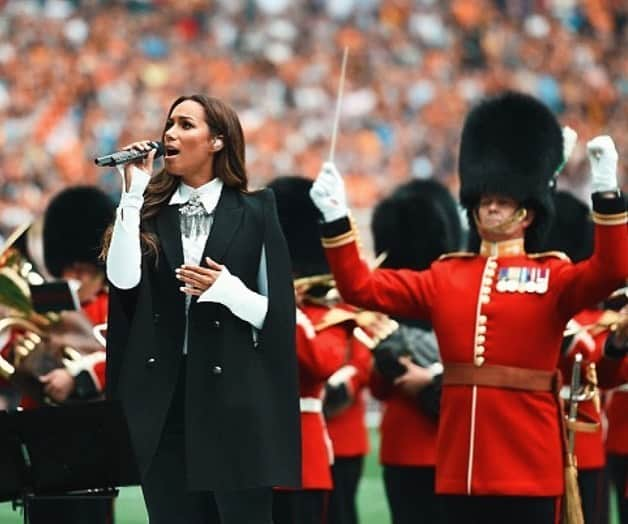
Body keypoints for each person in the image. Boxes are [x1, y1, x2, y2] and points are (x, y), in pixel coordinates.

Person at [309, 91, 628, 523]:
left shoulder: (553, 276)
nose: (490, 206)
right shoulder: (446, 276)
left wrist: (607, 191)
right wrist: (335, 219)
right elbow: (361, 288)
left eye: (503, 199)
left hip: (528, 462)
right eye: (483, 200)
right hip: (460, 465)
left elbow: (610, 269)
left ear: (528, 212)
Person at [103, 94, 301, 524]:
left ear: (217, 141)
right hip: (165, 402)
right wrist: (133, 195)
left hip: (237, 403)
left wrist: (228, 290)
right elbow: (122, 283)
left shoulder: (256, 210)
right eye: (169, 123)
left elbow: (280, 318)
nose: (170, 133)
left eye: (186, 124)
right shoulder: (149, 212)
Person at [0, 186, 115, 524]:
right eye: (70, 268)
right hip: (40, 440)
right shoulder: (38, 304)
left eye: (84, 269)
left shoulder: (113, 307)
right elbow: (10, 357)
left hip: (93, 440)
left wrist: (78, 376)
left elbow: (124, 358)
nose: (75, 278)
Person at [369, 178, 462, 524]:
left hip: (448, 444)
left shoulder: (456, 304)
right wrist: (388, 366)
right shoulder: (387, 315)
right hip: (404, 445)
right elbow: (378, 387)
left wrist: (430, 380)